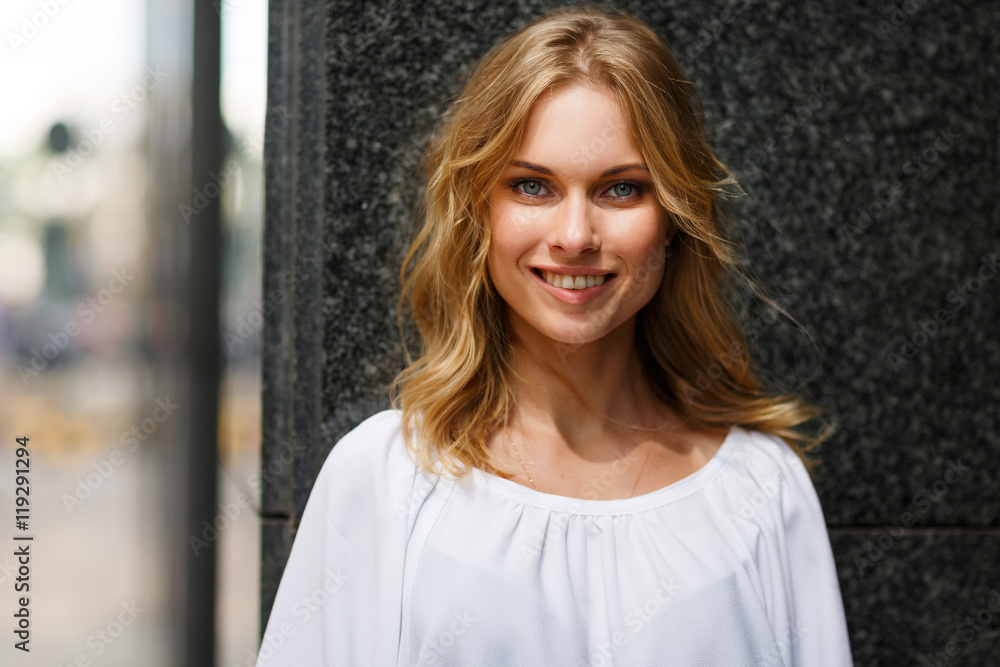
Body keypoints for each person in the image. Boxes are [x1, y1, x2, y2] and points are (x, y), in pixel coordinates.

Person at [256, 4, 853, 665]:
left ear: (677, 217)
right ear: (477, 208)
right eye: (533, 185)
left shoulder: (761, 490)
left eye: (621, 189)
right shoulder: (385, 479)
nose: (574, 236)